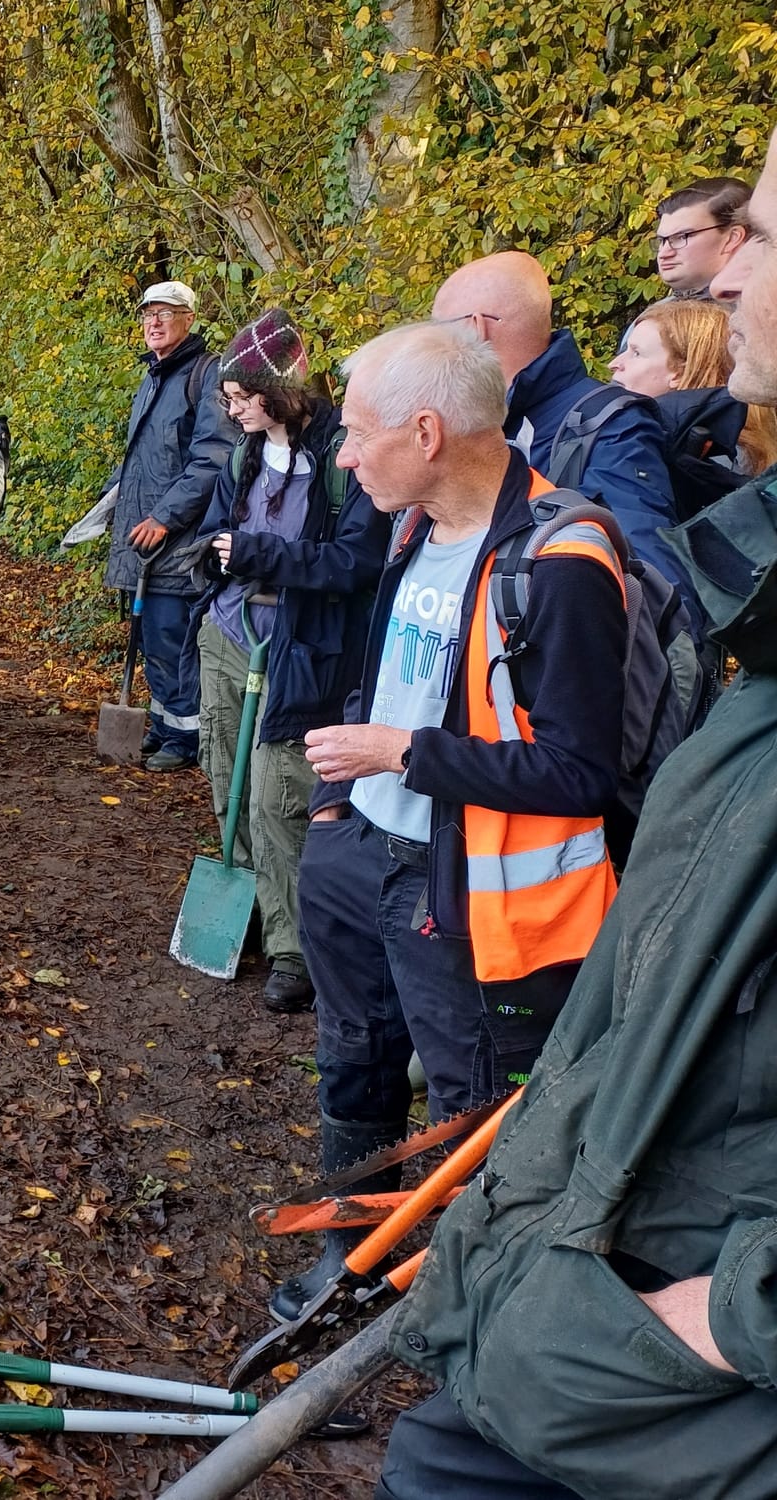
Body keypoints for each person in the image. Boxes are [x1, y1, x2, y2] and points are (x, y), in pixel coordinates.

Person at [373, 133, 777, 1500]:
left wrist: (736, 1314)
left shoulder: (576, 518)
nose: (718, 279)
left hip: (664, 1314)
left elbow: (580, 747)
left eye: (754, 240)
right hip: (612, 1208)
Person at [274, 320, 628, 1323]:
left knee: (468, 1114)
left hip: (466, 897)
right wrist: (339, 808)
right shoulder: (411, 528)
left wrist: (397, 756)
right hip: (358, 856)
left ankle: (457, 1312)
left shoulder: (560, 558)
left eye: (354, 432)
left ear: (425, 431)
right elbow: (386, 676)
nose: (340, 455)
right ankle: (349, 1270)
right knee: (352, 1061)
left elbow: (576, 771)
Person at [186, 310, 390, 1014]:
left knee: (280, 800)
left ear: (280, 392)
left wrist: (256, 554)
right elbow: (221, 528)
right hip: (229, 634)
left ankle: (296, 949)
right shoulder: (244, 456)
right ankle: (247, 913)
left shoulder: (342, 460)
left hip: (301, 648)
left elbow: (356, 561)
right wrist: (209, 561)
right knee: (224, 776)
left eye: (242, 398)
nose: (232, 410)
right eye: (228, 400)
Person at [431, 252, 694, 613]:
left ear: (476, 327)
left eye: (439, 331)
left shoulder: (610, 426)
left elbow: (654, 589)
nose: (431, 350)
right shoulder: (481, 420)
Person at [102, 280, 238, 772]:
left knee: (173, 638)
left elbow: (212, 460)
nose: (154, 322)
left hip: (181, 542)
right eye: (147, 314)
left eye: (165, 312)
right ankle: (163, 727)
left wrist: (164, 517)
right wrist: (111, 500)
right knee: (152, 638)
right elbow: (142, 456)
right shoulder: (154, 378)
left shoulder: (207, 375)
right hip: (144, 540)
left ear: (189, 320)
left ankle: (186, 740)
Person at [610, 298, 776, 515]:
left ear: (680, 371)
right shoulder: (733, 446)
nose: (613, 364)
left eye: (636, 353)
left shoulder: (714, 462)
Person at [651, 177, 751, 301]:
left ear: (732, 238)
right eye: (662, 240)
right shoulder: (662, 314)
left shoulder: (762, 309)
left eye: (682, 237)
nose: (664, 253)